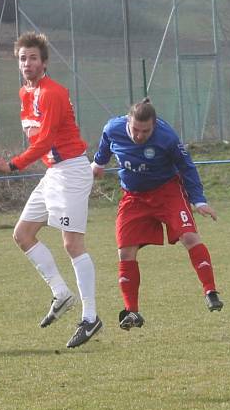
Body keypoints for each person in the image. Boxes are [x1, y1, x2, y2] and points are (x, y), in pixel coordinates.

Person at [0, 31, 102, 349]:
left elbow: (46, 140)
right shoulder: (26, 93)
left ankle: (91, 317)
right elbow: (41, 141)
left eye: (33, 57)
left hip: (72, 171)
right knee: (23, 234)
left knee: (72, 244)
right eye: (22, 58)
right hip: (54, 172)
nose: (27, 63)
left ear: (44, 62)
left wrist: (13, 165)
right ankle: (61, 294)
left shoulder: (52, 93)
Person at [92, 99, 223, 331]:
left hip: (167, 192)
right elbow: (104, 146)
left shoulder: (167, 137)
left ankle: (210, 291)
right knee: (125, 252)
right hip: (133, 197)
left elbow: (186, 166)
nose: (140, 135)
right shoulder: (112, 128)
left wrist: (198, 199)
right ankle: (131, 311)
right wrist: (98, 163)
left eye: (146, 131)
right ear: (128, 121)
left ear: (154, 125)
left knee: (190, 237)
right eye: (135, 130)